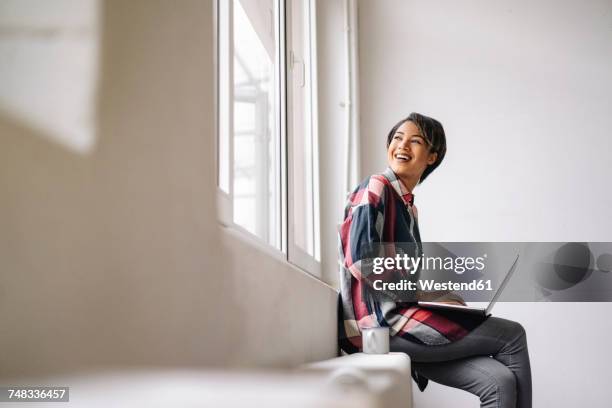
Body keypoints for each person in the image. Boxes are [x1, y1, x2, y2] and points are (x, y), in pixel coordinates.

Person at [337, 112, 532, 408]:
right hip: (379, 326)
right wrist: (428, 296)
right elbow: (362, 260)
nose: (402, 145)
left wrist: (437, 298)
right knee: (513, 335)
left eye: (415, 141)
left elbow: (402, 283)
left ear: (431, 156)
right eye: (397, 138)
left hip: (399, 321)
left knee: (498, 381)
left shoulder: (409, 210)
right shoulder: (376, 187)